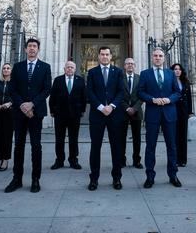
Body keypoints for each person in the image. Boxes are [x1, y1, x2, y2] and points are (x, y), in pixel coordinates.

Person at [4, 38, 52, 193]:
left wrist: (32, 104)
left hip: (36, 112)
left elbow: (46, 89)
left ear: (38, 49)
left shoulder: (45, 67)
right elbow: (12, 89)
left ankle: (35, 179)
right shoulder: (17, 67)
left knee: (36, 146)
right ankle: (16, 178)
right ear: (25, 49)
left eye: (35, 46)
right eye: (29, 46)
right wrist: (23, 105)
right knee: (18, 146)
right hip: (19, 112)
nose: (32, 49)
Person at [138, 48, 182, 188]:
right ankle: (150, 176)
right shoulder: (145, 74)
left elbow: (177, 92)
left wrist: (169, 100)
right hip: (152, 114)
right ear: (152, 57)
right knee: (150, 146)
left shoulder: (171, 74)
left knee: (172, 146)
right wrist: (152, 99)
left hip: (169, 114)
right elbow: (140, 92)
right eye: (156, 55)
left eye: (160, 56)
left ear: (164, 58)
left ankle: (173, 175)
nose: (158, 58)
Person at [86, 46, 125, 191]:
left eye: (107, 54)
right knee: (95, 147)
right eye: (102, 54)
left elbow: (121, 92)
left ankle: (116, 178)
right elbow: (89, 92)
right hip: (97, 115)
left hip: (115, 115)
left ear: (111, 56)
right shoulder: (92, 72)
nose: (104, 57)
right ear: (98, 56)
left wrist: (112, 106)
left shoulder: (118, 72)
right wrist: (102, 107)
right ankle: (94, 179)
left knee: (116, 147)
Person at [49, 60, 87, 170]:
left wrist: (82, 110)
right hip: (60, 114)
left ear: (75, 69)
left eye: (72, 67)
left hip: (75, 115)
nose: (70, 69)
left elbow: (84, 97)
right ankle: (59, 161)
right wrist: (52, 110)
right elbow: (52, 97)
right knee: (59, 138)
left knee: (73, 138)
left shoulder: (80, 80)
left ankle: (73, 160)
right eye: (68, 67)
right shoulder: (58, 80)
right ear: (64, 69)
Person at [120, 58, 143, 169]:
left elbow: (142, 95)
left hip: (137, 112)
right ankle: (121, 160)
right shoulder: (119, 78)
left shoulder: (140, 78)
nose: (130, 65)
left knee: (137, 138)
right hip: (122, 112)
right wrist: (126, 108)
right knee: (121, 137)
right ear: (124, 66)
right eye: (128, 64)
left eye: (132, 64)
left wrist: (134, 108)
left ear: (135, 66)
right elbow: (118, 95)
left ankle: (136, 160)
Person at [171, 63, 193, 167]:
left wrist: (189, 111)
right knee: (174, 135)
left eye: (179, 69)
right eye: (175, 69)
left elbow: (189, 97)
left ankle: (183, 159)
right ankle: (175, 159)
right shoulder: (170, 81)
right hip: (173, 110)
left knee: (183, 135)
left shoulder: (185, 82)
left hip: (183, 111)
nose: (177, 71)